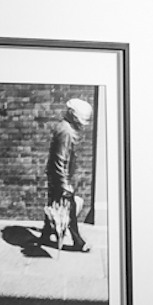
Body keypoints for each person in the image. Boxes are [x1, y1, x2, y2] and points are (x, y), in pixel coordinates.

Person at [37, 97, 93, 252]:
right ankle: (78, 241)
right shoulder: (66, 132)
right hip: (60, 178)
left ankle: (46, 235)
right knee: (69, 208)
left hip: (57, 176)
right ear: (74, 116)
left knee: (55, 206)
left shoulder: (64, 127)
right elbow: (59, 160)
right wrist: (64, 184)